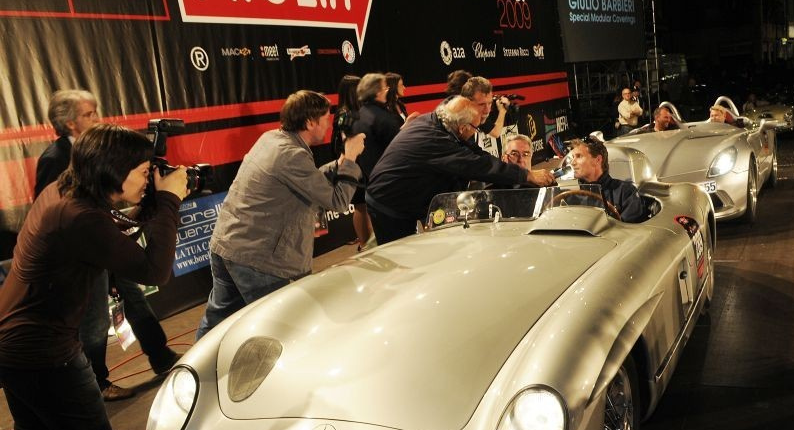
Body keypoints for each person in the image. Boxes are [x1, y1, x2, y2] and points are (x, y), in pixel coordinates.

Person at [0, 123, 186, 430]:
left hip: (13, 341)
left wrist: (149, 204)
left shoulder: (67, 191)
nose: (148, 179)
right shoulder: (79, 215)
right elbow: (154, 271)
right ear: (113, 170)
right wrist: (169, 201)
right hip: (44, 349)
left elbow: (111, 236)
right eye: (143, 171)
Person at [34, 89, 180, 401]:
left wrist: (144, 210)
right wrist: (168, 200)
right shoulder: (57, 166)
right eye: (89, 114)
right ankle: (97, 382)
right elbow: (156, 271)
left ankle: (161, 356)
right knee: (95, 321)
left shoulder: (85, 202)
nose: (97, 119)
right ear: (70, 122)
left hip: (100, 247)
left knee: (134, 300)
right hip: (83, 261)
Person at [196, 91, 365, 339]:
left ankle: (195, 364)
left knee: (216, 324)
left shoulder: (272, 139)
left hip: (228, 246)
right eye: (325, 118)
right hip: (258, 260)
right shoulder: (292, 154)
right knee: (281, 330)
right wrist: (350, 159)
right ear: (310, 122)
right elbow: (337, 202)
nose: (329, 124)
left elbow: (306, 180)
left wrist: (339, 164)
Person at [366, 96, 555, 244]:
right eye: (476, 128)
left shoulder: (440, 122)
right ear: (463, 127)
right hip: (389, 203)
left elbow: (476, 153)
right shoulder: (436, 141)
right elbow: (479, 166)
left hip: (401, 194)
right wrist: (527, 175)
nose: (476, 131)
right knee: (401, 256)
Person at [350, 73, 403, 250]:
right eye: (385, 87)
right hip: (389, 185)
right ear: (378, 92)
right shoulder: (383, 118)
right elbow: (399, 151)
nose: (387, 90)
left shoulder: (358, 115)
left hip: (370, 183)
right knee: (395, 239)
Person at [568, 135, 646, 223]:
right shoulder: (572, 197)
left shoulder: (625, 193)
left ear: (598, 160)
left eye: (579, 156)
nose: (572, 162)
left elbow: (630, 229)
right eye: (573, 157)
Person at [461, 76, 510, 157]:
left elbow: (496, 133)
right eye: (481, 104)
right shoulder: (455, 129)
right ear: (466, 103)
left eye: (490, 103)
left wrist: (502, 110)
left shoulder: (477, 115)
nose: (487, 110)